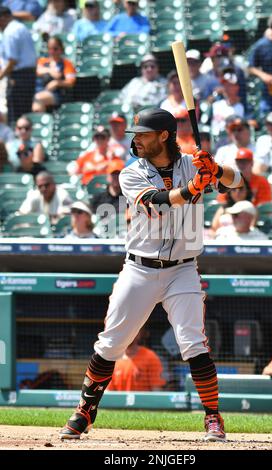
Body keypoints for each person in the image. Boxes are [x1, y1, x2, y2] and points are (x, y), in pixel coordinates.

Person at [59, 107, 245, 442]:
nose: (137, 140)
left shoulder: (192, 162)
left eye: (144, 134)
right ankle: (85, 410)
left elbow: (236, 182)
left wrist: (215, 169)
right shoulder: (131, 173)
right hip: (139, 269)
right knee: (112, 343)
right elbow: (155, 204)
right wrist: (192, 189)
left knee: (193, 343)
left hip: (183, 270)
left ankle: (213, 417)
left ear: (163, 136)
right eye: (136, 135)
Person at [0, 6, 37, 125]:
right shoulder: (21, 27)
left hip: (19, 77)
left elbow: (12, 61)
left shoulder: (10, 32)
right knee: (25, 113)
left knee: (16, 116)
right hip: (29, 75)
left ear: (3, 18)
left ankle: (17, 141)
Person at [32, 36, 76, 113]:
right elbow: (37, 71)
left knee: (38, 98)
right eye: (50, 49)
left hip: (57, 94)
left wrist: (56, 83)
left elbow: (70, 82)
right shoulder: (42, 61)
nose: (52, 52)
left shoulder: (67, 63)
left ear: (61, 49)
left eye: (55, 49)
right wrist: (50, 71)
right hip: (40, 90)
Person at [210, 69, 245, 138]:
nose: (226, 88)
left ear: (236, 88)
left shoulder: (241, 107)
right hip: (214, 140)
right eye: (224, 85)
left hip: (230, 140)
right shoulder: (216, 105)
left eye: (229, 86)